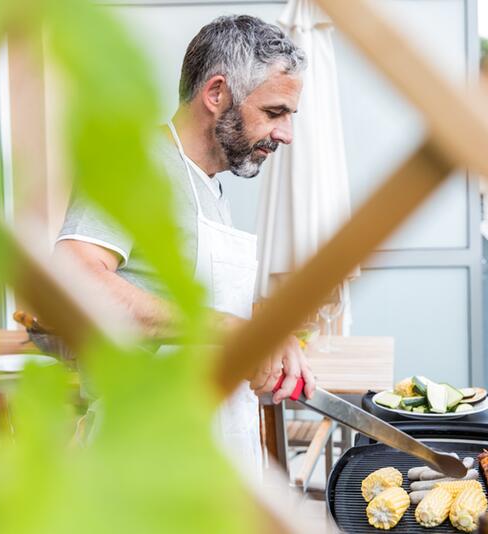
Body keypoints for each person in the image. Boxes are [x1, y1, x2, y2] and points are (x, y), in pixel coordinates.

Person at [53, 15, 317, 472]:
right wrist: (234, 332)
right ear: (216, 94)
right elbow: (74, 278)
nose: (286, 134)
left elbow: (190, 304)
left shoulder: (209, 185)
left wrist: (268, 333)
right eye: (274, 112)